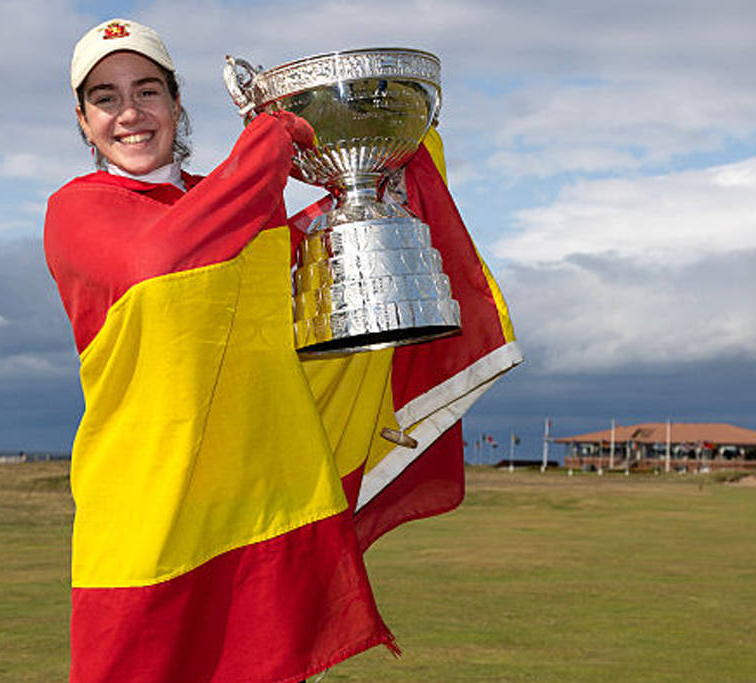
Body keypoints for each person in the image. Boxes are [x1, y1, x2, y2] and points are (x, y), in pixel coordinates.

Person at [45, 17, 521, 683]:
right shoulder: (77, 209)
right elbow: (163, 256)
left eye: (147, 91)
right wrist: (268, 146)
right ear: (83, 119)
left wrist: (374, 189)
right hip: (148, 509)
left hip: (259, 500)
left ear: (176, 104)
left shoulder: (240, 202)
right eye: (106, 97)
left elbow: (298, 283)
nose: (130, 113)